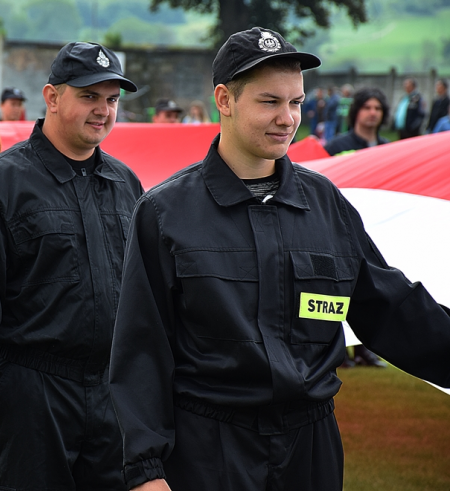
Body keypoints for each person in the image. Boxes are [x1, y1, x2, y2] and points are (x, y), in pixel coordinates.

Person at [109, 27, 450, 491]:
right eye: (270, 102)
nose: (288, 118)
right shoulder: (166, 214)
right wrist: (145, 469)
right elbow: (140, 348)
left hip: (311, 448)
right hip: (211, 448)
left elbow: (390, 308)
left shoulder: (325, 203)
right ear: (225, 100)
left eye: (296, 102)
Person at [0, 42, 143, 490]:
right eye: (89, 96)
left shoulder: (126, 184)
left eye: (112, 99)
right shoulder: (1, 182)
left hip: (112, 396)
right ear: (51, 97)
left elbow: (145, 296)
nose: (103, 110)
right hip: (32, 392)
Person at [324, 87, 390, 156]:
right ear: (356, 111)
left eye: (378, 108)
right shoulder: (336, 147)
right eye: (367, 108)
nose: (373, 113)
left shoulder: (388, 148)